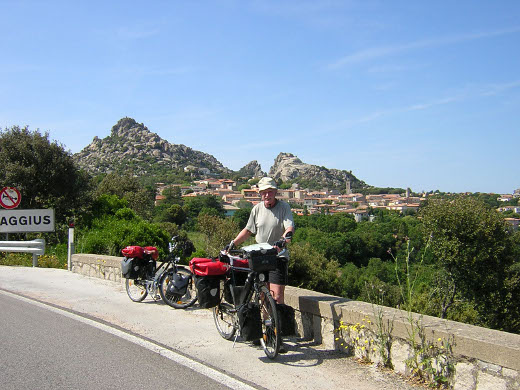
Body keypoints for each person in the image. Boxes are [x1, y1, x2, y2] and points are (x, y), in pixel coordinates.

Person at [227, 176, 295, 305]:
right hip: (260, 257)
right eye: (264, 192)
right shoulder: (257, 209)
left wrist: (283, 240)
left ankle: (277, 324)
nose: (267, 195)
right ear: (260, 194)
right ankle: (266, 323)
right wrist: (232, 244)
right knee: (262, 295)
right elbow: (248, 231)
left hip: (277, 256)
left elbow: (289, 227)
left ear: (275, 192)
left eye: (270, 191)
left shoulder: (284, 207)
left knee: (277, 297)